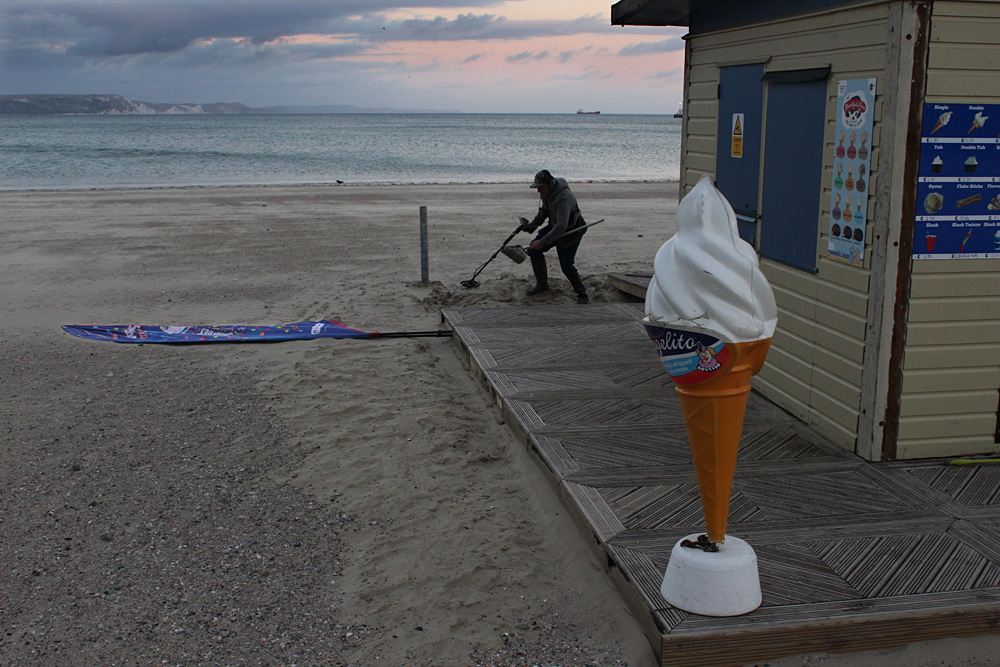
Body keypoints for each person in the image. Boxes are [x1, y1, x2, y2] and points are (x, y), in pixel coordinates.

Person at [520, 169, 589, 304]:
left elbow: (561, 227)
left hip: (572, 230)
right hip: (555, 225)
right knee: (534, 250)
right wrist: (532, 225)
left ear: (550, 184)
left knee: (566, 265)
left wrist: (543, 242)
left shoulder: (563, 197)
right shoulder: (546, 193)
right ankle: (542, 284)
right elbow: (544, 211)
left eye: (541, 188)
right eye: (537, 188)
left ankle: (582, 294)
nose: (539, 191)